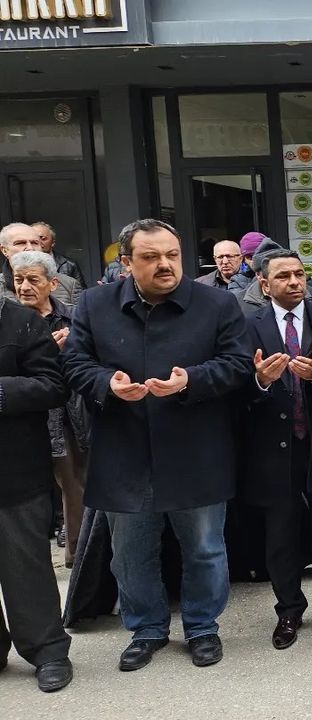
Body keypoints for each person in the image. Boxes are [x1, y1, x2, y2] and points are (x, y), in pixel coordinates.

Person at [62, 218, 254, 672]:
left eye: (172, 254)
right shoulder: (94, 304)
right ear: (127, 263)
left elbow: (239, 364)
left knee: (205, 547)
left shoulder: (216, 304)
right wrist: (108, 382)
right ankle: (147, 629)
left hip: (197, 448)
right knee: (130, 553)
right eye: (151, 257)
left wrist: (192, 380)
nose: (165, 264)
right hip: (124, 450)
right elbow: (74, 365)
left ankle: (203, 626)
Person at [242, 250, 312, 650]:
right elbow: (235, 384)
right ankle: (288, 609)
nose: (294, 281)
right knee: (281, 533)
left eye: (300, 274)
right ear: (264, 284)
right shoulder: (247, 324)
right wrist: (260, 380)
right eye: (284, 276)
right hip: (274, 446)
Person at [0, 284, 75, 693]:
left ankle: (48, 650)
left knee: (24, 565)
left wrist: (0, 391)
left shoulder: (21, 321)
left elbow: (54, 384)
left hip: (13, 471)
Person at [9, 251, 88, 568]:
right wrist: (45, 353)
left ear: (53, 283)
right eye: (18, 280)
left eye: (33, 279)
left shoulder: (74, 316)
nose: (24, 286)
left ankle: (79, 560)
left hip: (75, 413)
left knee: (77, 485)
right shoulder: (12, 324)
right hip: (30, 422)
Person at [1, 223, 81, 305]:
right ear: (4, 250)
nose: (30, 248)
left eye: (34, 243)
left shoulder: (69, 285)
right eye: (20, 243)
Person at [32, 221, 86, 288]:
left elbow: (80, 292)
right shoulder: (20, 264)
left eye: (42, 238)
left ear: (53, 243)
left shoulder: (69, 265)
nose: (38, 242)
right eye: (33, 239)